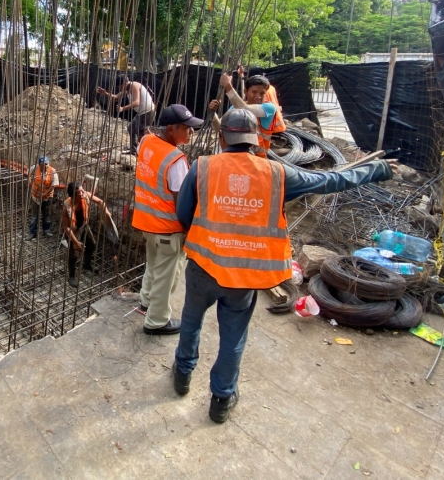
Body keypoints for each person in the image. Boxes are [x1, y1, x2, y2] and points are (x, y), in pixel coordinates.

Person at [172, 108, 393, 423]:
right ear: (255, 139)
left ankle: (182, 375)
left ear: (223, 137)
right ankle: (221, 400)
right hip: (245, 276)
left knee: (191, 322)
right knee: (233, 338)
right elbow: (332, 180)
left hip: (203, 267)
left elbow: (183, 213)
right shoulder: (277, 174)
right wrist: (376, 169)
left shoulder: (202, 168)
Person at [133, 104, 204, 335]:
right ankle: (157, 321)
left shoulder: (146, 141)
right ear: (172, 129)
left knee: (153, 266)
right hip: (167, 227)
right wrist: (189, 229)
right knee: (166, 276)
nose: (191, 133)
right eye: (187, 128)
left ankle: (145, 301)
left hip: (146, 221)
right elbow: (182, 200)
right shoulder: (176, 159)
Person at [208, 73, 285, 156]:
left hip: (257, 159)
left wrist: (228, 86)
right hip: (235, 155)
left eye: (262, 93)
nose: (258, 96)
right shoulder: (235, 107)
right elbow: (219, 128)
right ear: (245, 91)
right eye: (254, 92)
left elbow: (244, 109)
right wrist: (213, 113)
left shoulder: (269, 107)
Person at [62, 181, 111, 288]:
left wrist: (106, 211)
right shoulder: (67, 207)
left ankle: (87, 265)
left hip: (84, 226)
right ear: (74, 196)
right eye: (80, 192)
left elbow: (99, 201)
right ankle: (71, 276)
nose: (83, 193)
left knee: (91, 245)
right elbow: (66, 228)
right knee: (73, 255)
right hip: (73, 232)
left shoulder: (86, 195)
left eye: (82, 190)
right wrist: (76, 242)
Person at [96, 76, 156, 155]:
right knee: (136, 130)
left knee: (137, 130)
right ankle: (147, 147)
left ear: (124, 83)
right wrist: (105, 93)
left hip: (148, 111)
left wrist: (123, 108)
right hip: (142, 113)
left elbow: (136, 102)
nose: (120, 88)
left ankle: (138, 150)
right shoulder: (127, 89)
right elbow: (116, 97)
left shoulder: (134, 86)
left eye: (120, 86)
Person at [28, 156, 59, 239]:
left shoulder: (52, 172)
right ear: (39, 165)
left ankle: (46, 230)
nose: (45, 166)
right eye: (42, 164)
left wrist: (45, 193)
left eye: (46, 164)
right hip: (35, 196)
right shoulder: (34, 168)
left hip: (47, 198)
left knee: (46, 215)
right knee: (34, 216)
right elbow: (28, 174)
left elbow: (54, 185)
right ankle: (33, 233)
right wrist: (30, 182)